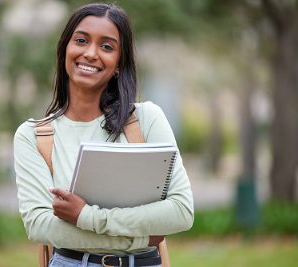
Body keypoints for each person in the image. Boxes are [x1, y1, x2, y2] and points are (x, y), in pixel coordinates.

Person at [14, 3, 194, 267]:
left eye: (107, 46)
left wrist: (86, 216)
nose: (90, 53)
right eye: (81, 40)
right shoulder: (33, 136)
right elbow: (40, 226)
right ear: (65, 48)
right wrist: (140, 238)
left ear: (119, 63)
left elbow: (181, 211)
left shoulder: (146, 120)